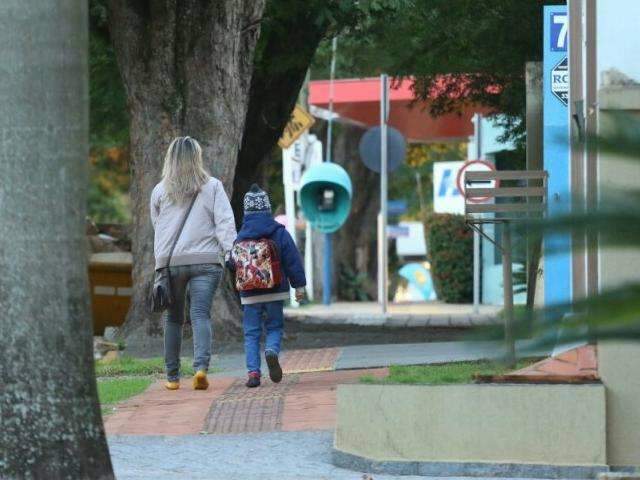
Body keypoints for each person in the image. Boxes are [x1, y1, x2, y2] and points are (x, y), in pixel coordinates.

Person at [150, 136, 236, 391]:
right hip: (206, 261)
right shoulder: (213, 187)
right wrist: (230, 251)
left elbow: (158, 225)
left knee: (173, 319)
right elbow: (224, 222)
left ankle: (172, 377)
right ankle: (200, 368)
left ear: (171, 159)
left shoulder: (160, 190)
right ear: (197, 158)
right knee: (200, 315)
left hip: (171, 263)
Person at [228, 184, 306, 388]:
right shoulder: (279, 233)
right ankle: (271, 350)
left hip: (249, 294)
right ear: (267, 209)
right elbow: (293, 260)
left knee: (251, 333)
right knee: (274, 327)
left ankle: (253, 372)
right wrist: (299, 286)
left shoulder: (241, 236)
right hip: (275, 291)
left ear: (246, 212)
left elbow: (232, 263)